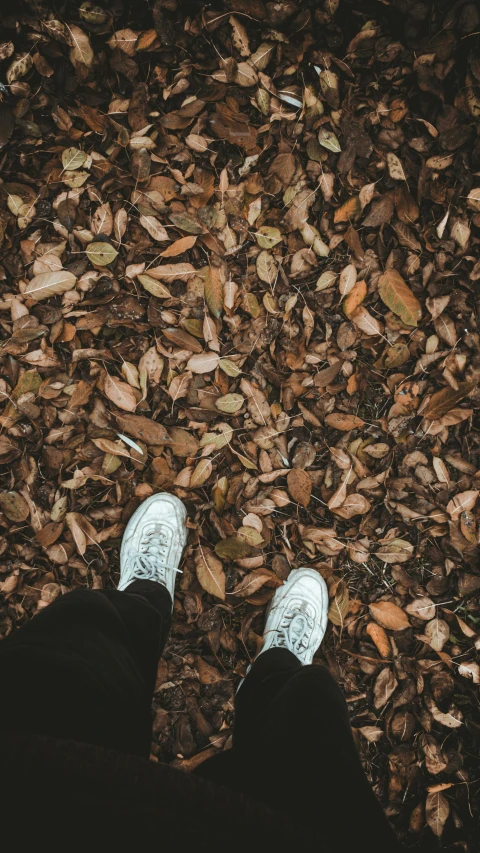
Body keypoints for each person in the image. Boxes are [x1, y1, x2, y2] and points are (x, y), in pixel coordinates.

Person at [0, 493, 402, 851]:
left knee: (67, 657)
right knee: (310, 723)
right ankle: (277, 668)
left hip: (28, 773)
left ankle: (146, 597)